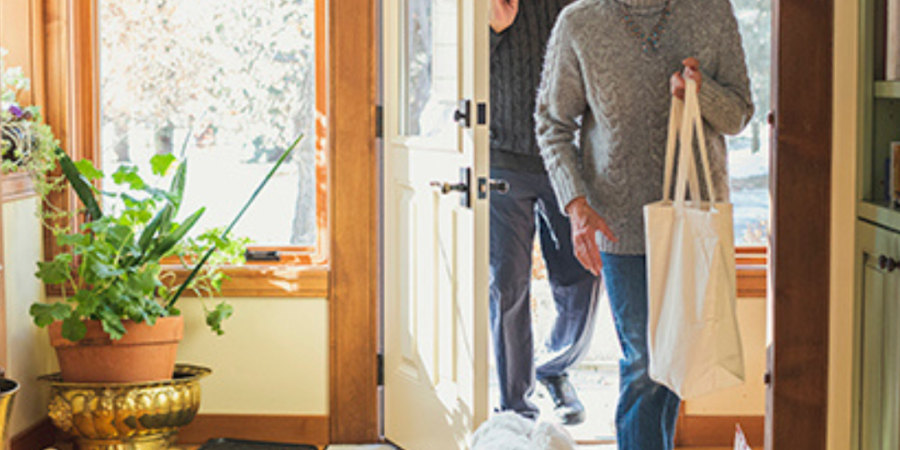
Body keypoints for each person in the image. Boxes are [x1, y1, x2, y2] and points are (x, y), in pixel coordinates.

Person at [534, 0, 753, 448]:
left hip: (695, 223)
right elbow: (552, 123)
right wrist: (576, 205)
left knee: (677, 360)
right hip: (621, 224)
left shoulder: (712, 12)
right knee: (646, 361)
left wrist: (700, 89)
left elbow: (738, 114)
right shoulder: (580, 21)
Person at [489, 0, 603, 426]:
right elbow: (459, 78)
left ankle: (554, 367)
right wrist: (494, 30)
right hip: (500, 157)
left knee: (584, 274)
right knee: (507, 284)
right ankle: (515, 407)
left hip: (569, 159)